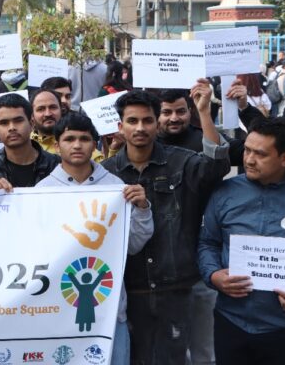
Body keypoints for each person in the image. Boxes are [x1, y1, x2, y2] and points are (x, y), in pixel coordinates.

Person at [101, 85, 230, 365]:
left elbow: (217, 166)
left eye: (147, 120)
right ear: (120, 126)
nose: (140, 128)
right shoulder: (106, 174)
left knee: (173, 358)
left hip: (176, 287)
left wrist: (204, 112)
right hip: (130, 288)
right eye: (132, 121)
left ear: (156, 123)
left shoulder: (181, 161)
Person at [198, 117, 285, 365]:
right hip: (232, 322)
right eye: (247, 150)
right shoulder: (225, 192)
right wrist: (213, 274)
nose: (248, 159)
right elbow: (208, 243)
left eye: (260, 154)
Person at [37, 112, 153, 365]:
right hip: (57, 312)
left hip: (110, 312)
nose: (77, 145)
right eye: (69, 139)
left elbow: (134, 245)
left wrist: (142, 208)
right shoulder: (42, 192)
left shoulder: (115, 186)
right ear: (57, 145)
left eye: (84, 139)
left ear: (95, 144)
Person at [0, 93, 59, 189]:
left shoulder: (56, 165)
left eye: (18, 121)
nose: (12, 128)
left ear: (32, 124)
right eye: (4, 123)